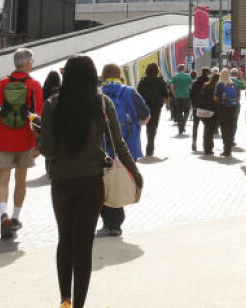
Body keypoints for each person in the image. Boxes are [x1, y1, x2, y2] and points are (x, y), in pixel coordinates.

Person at [40, 55, 142, 308]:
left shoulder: (52, 104)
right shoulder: (102, 103)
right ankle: (79, 305)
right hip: (91, 181)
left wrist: (40, 134)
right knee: (84, 246)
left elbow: (48, 149)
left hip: (62, 181)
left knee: (65, 239)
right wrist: (136, 176)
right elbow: (119, 145)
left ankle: (64, 299)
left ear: (67, 75)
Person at [0, 47, 44, 240]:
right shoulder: (33, 85)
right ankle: (16, 217)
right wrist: (38, 143)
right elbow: (38, 116)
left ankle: (3, 215)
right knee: (21, 179)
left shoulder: (2, 84)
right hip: (25, 139)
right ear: (28, 63)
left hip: (4, 138)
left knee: (3, 179)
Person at [99, 64, 150, 235]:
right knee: (121, 178)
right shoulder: (130, 92)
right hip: (128, 144)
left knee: (104, 181)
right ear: (119, 75)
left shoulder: (98, 94)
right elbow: (146, 115)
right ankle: (116, 223)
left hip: (103, 146)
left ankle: (107, 218)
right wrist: (134, 127)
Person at [136, 63, 170, 157]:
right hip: (156, 107)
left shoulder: (142, 81)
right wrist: (168, 104)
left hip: (144, 106)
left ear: (146, 71)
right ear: (157, 71)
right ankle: (150, 147)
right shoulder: (161, 81)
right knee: (153, 127)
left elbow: (138, 95)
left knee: (141, 126)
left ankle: (138, 147)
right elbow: (166, 94)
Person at [214, 69, 241, 157]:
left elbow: (216, 98)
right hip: (233, 108)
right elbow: (238, 97)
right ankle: (229, 147)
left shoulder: (219, 84)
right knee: (231, 127)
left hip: (223, 108)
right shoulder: (234, 84)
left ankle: (226, 149)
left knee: (224, 129)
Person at [199, 70, 220, 156]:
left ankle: (207, 147)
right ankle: (209, 148)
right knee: (210, 130)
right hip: (213, 110)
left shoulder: (205, 85)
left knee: (207, 129)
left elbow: (201, 97)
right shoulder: (217, 87)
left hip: (203, 110)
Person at [190, 67, 211, 151]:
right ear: (208, 73)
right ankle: (206, 144)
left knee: (195, 125)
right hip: (206, 107)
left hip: (196, 107)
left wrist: (193, 104)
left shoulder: (195, 82)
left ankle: (194, 142)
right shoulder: (210, 82)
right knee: (207, 126)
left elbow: (191, 95)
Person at [169, 64, 193, 134]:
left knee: (178, 112)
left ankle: (180, 126)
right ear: (184, 69)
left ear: (178, 69)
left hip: (177, 96)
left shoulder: (175, 76)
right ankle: (183, 123)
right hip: (186, 96)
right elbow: (191, 85)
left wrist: (174, 94)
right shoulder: (187, 76)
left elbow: (172, 87)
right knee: (186, 111)